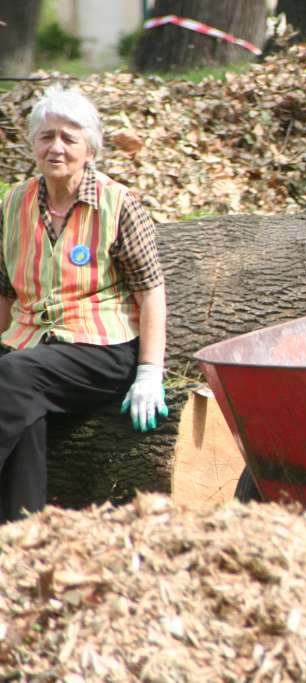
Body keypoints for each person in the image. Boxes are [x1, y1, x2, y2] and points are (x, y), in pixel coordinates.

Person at [0, 84, 168, 523]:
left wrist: (150, 372)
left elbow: (151, 292)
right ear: (33, 145)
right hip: (30, 345)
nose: (56, 147)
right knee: (24, 408)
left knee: (13, 376)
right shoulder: (13, 203)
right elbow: (5, 291)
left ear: (90, 150)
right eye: (46, 136)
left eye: (69, 138)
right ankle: (21, 533)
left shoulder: (118, 203)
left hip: (100, 349)